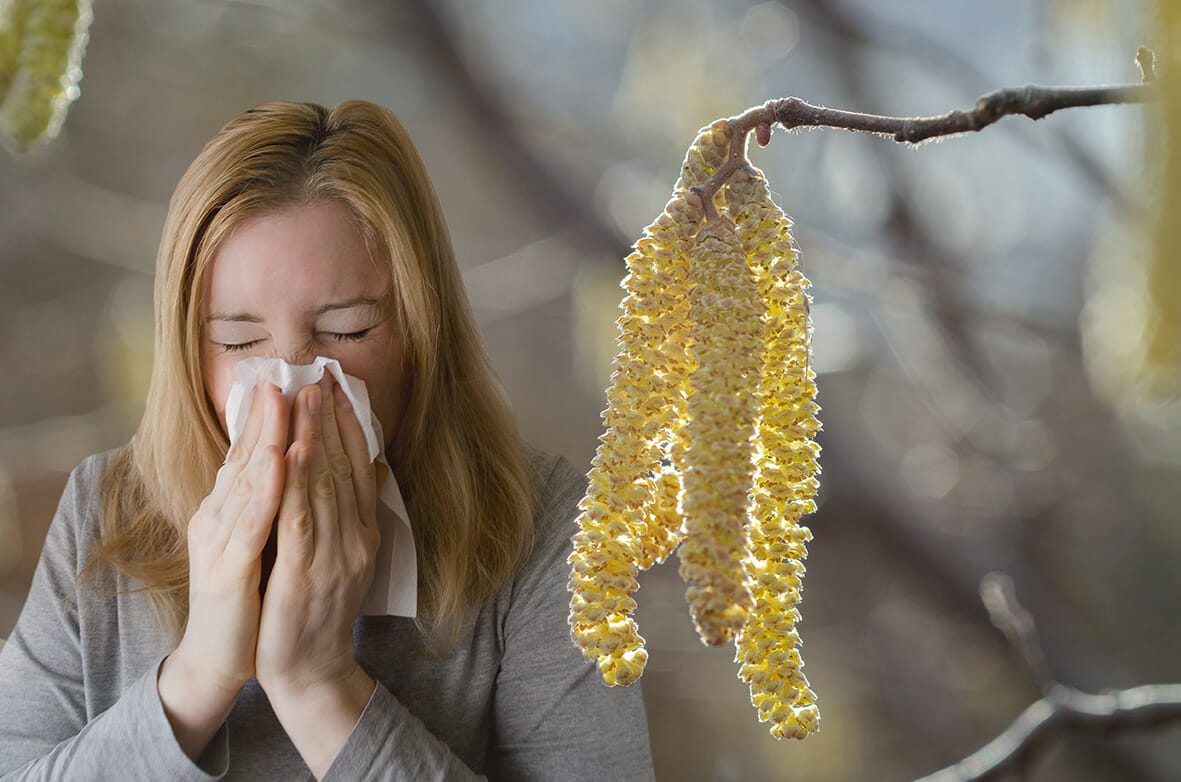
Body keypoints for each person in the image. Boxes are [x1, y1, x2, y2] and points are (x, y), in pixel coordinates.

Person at [0, 100, 655, 780]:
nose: (290, 387)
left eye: (346, 332)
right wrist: (196, 678)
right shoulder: (104, 511)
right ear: (187, 347)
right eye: (237, 340)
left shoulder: (546, 525)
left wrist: (319, 687)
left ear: (419, 332)